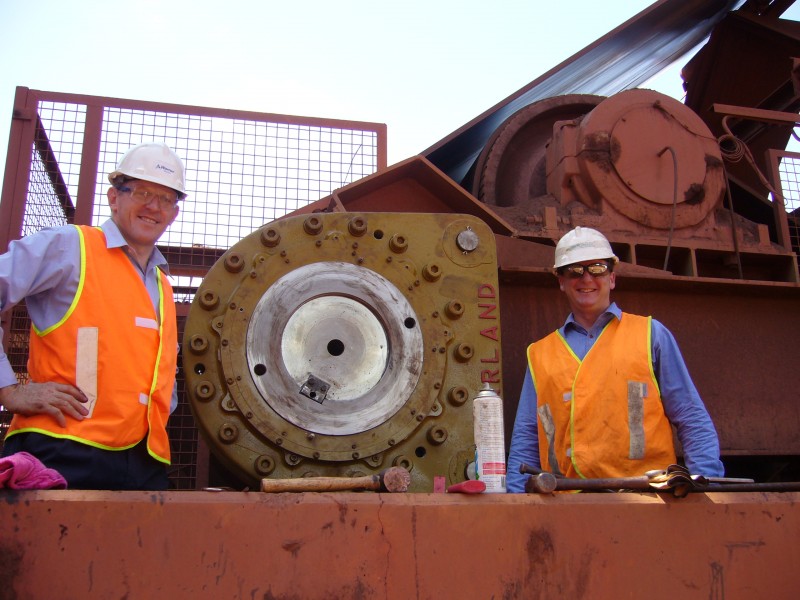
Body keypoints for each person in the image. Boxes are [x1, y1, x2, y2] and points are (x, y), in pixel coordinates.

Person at [0, 142, 186, 490]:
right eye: (142, 192)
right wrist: (9, 391)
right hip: (62, 451)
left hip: (145, 463)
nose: (153, 206)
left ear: (174, 213)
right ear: (114, 198)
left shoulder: (163, 286)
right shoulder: (71, 247)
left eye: (165, 198)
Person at [506, 226, 724, 493]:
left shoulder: (651, 335)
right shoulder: (540, 354)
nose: (586, 278)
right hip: (567, 504)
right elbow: (527, 436)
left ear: (611, 277)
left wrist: (705, 482)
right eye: (574, 270)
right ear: (561, 281)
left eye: (596, 268)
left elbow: (690, 416)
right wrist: (516, 501)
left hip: (647, 498)